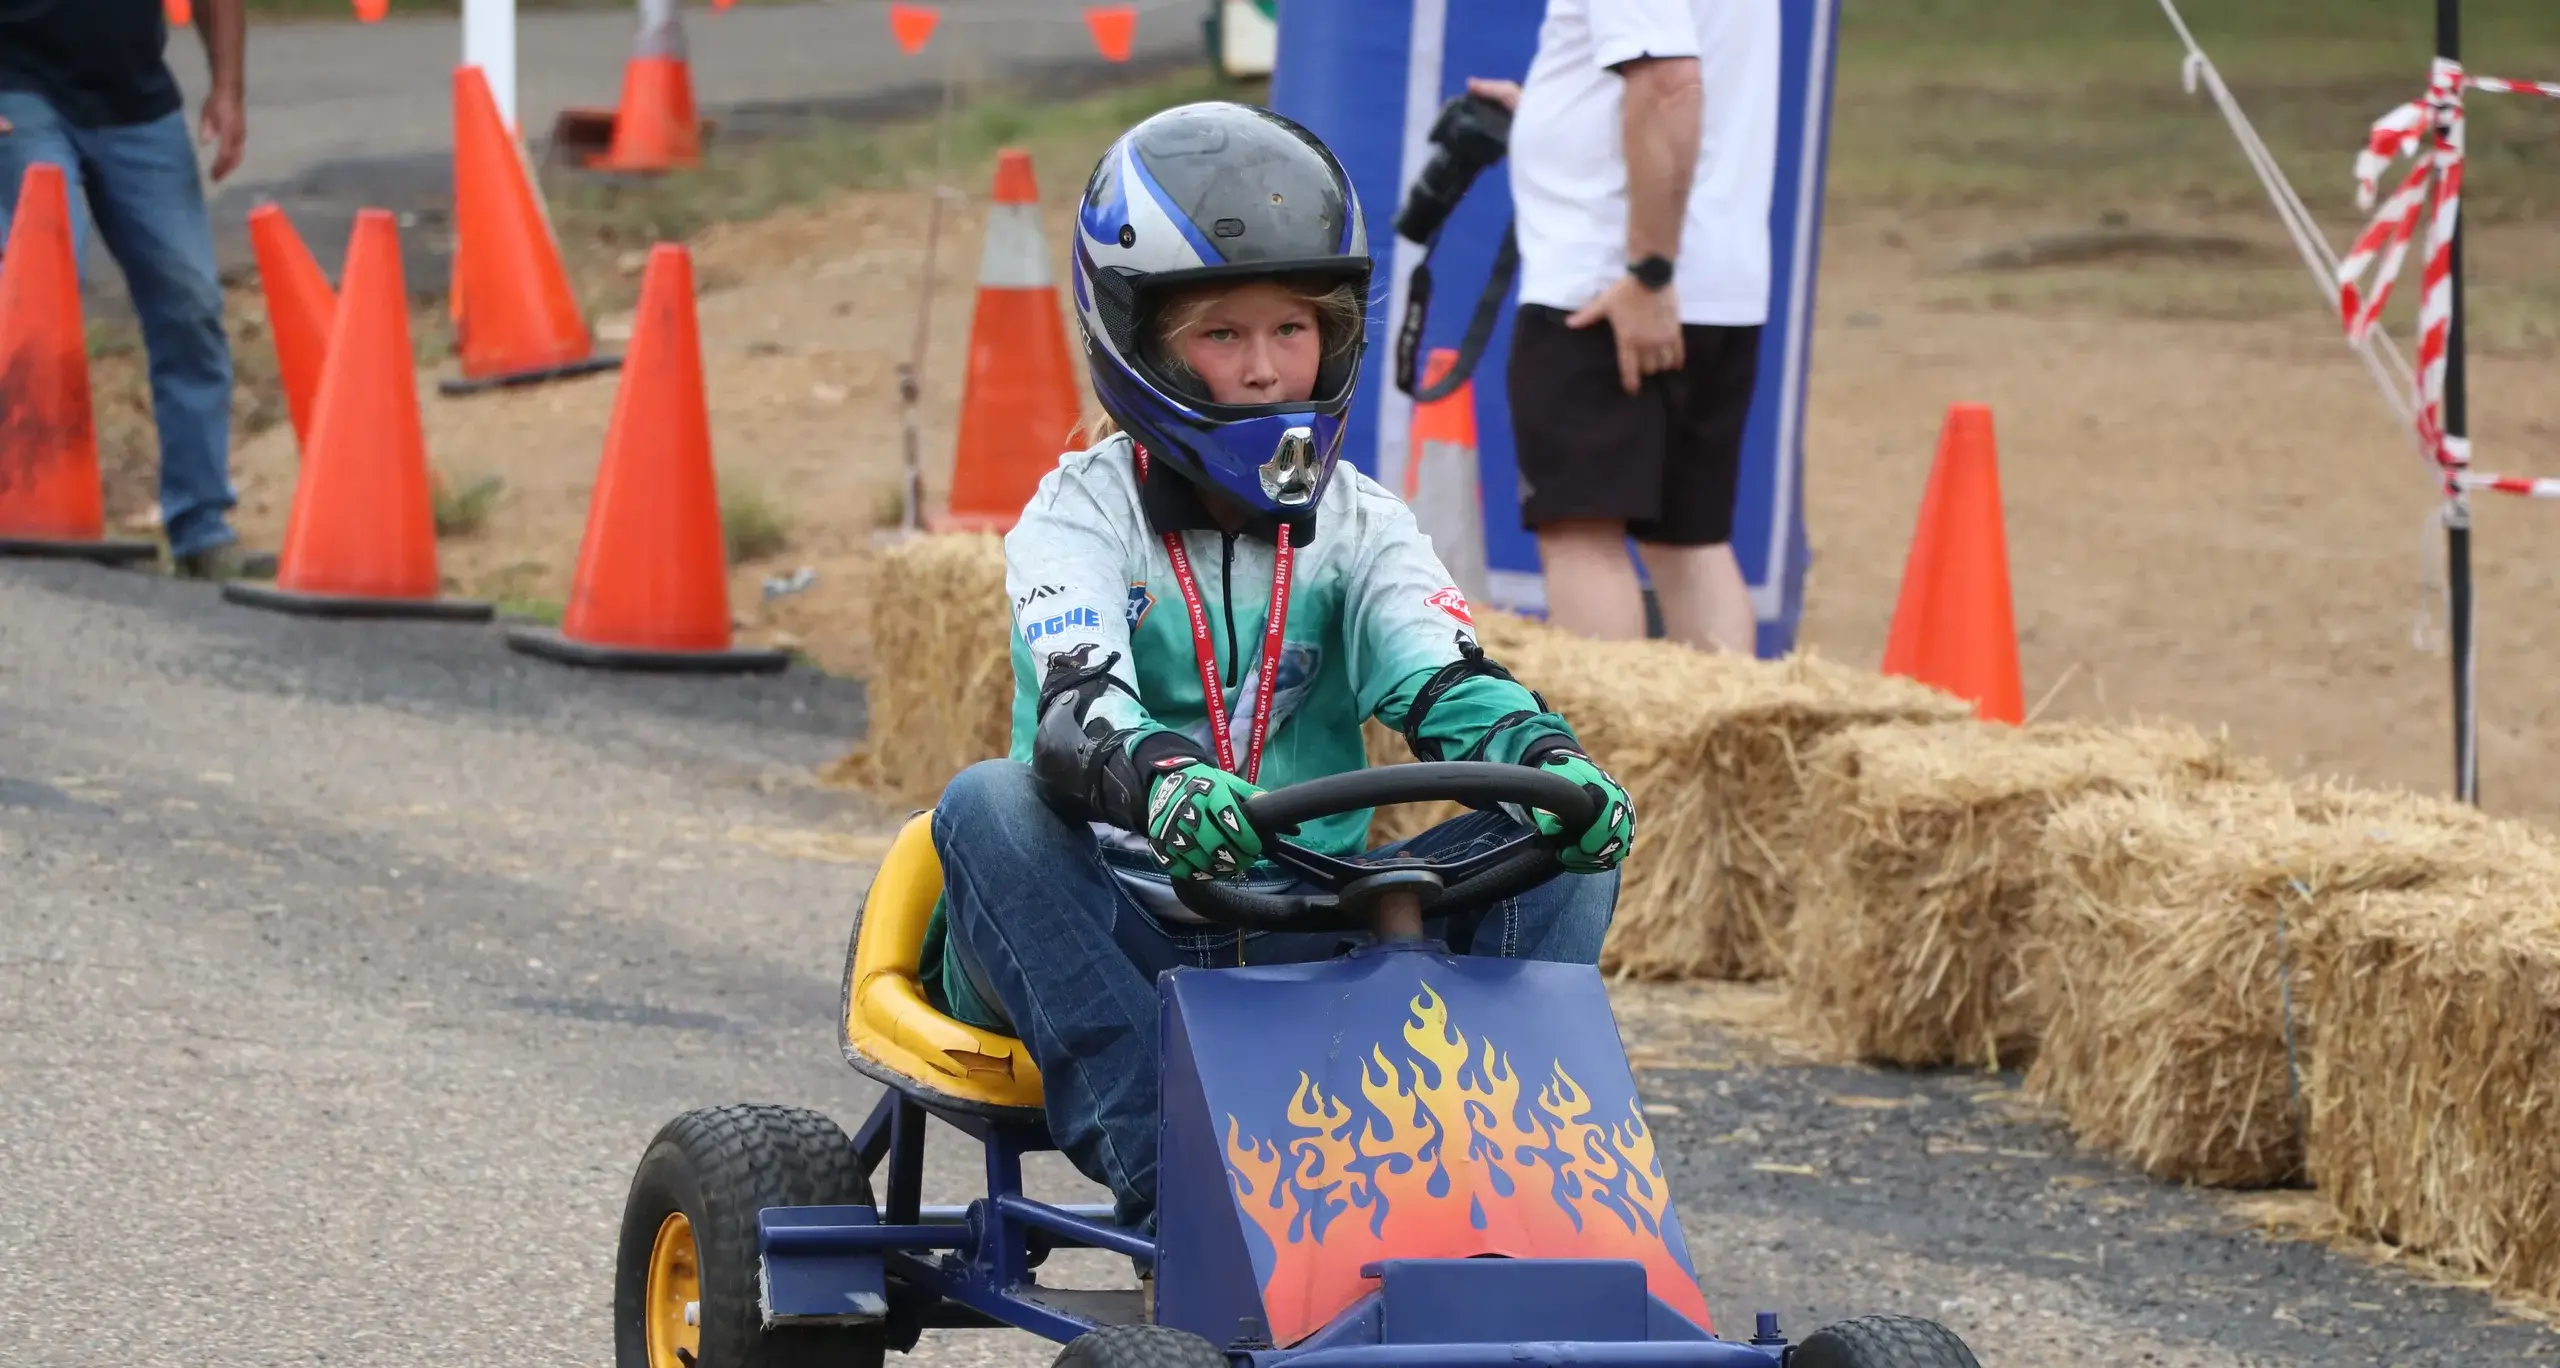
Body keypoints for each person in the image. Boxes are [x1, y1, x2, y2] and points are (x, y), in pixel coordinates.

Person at [916, 101, 1637, 1233]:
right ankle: (1188, 1200)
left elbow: (1436, 670)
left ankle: (1504, 1192)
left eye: (1290, 332)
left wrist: (1538, 752)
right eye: (1221, 336)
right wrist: (1161, 778)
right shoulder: (1076, 517)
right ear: (1141, 343)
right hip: (1121, 920)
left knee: (1562, 827)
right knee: (987, 805)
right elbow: (1077, 701)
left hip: (1319, 915)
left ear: (1334, 338)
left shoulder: (1362, 523)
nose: (1262, 372)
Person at [1468, 0, 1780, 654]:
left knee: (1582, 537)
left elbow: (1670, 84)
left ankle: (1607, 755)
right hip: (1713, 279)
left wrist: (1649, 272)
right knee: (1689, 541)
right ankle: (1720, 754)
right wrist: (1556, 114)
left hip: (1609, 285)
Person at [0, 0, 270, 580]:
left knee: (191, 303)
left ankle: (202, 529)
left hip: (134, 100)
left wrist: (228, 88)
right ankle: (27, 508)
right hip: (17, 89)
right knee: (43, 290)